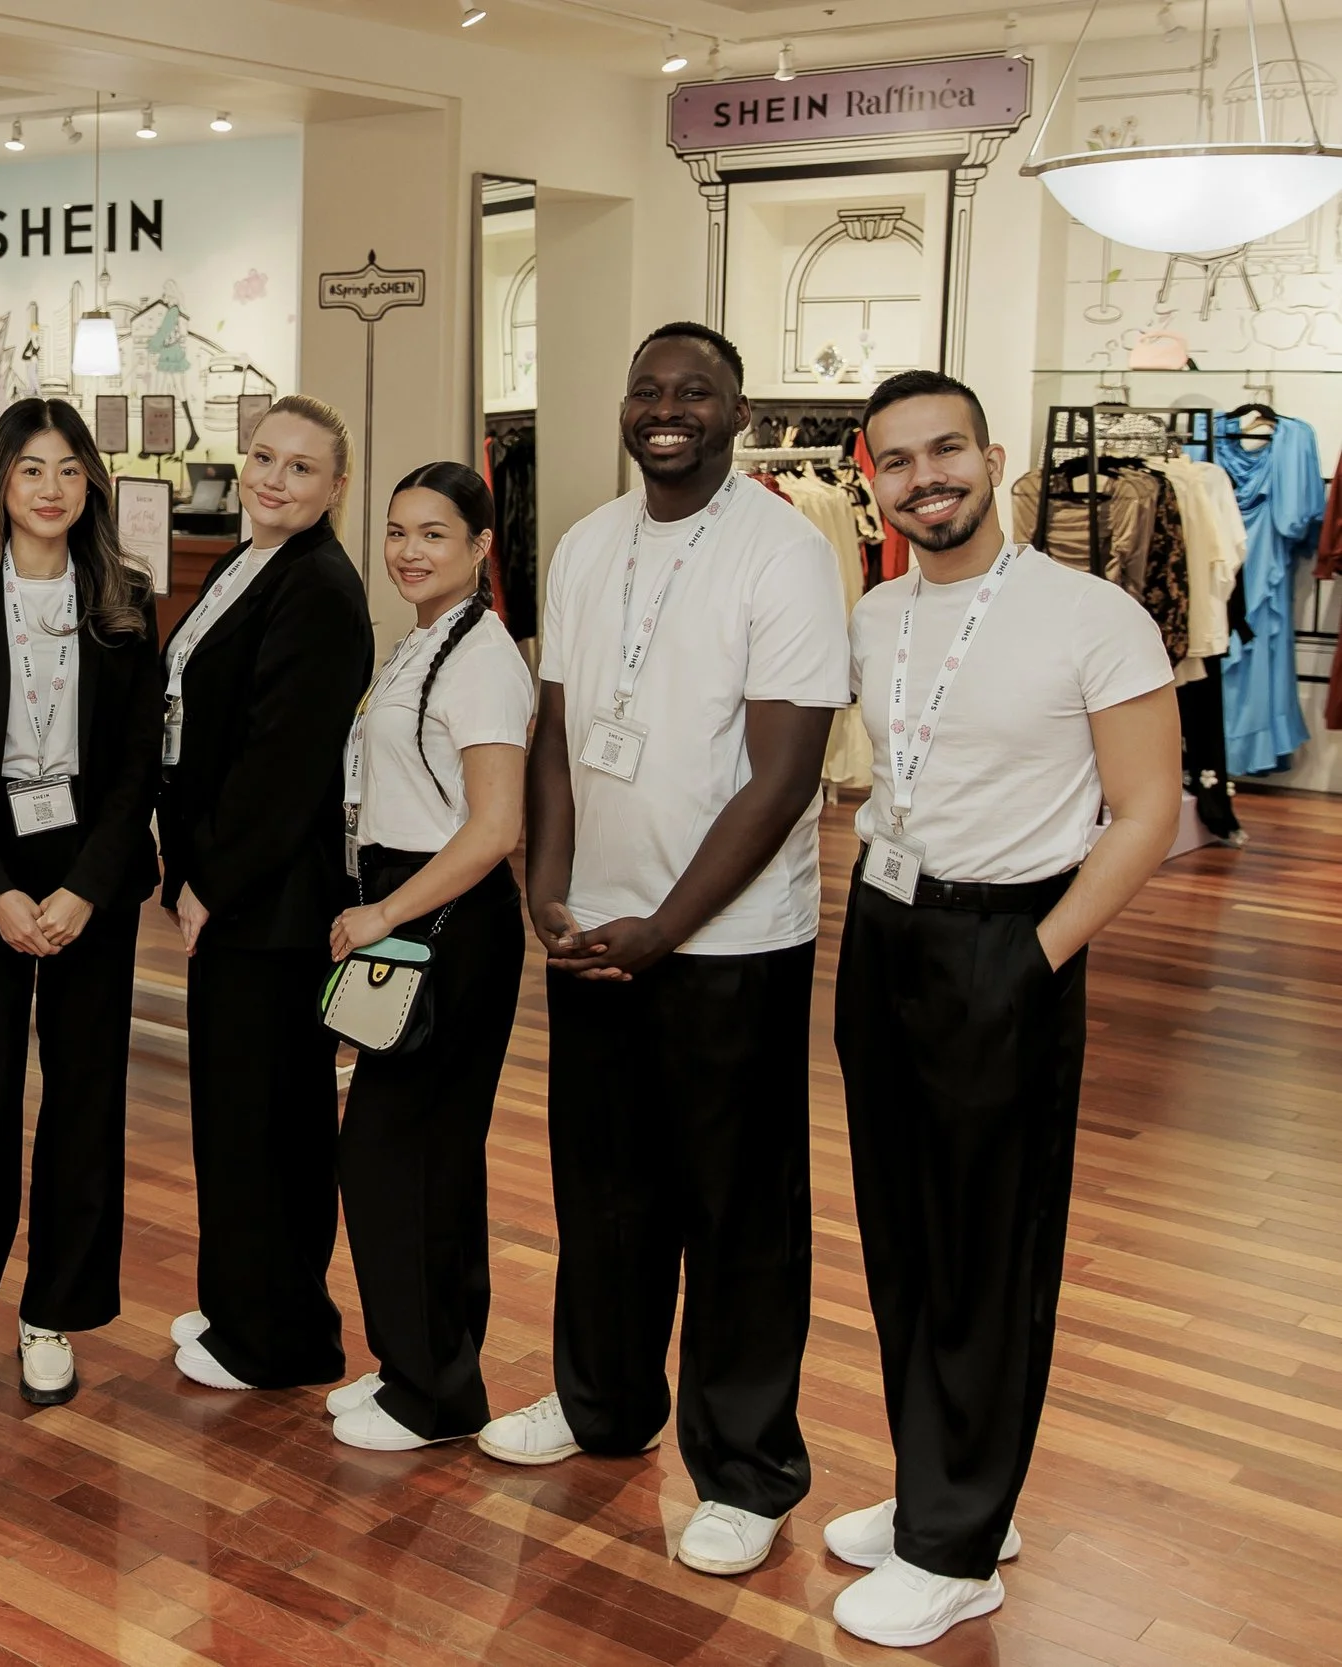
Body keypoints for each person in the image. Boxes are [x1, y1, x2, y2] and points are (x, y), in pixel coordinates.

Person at [480, 323, 848, 1581]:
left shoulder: (784, 553)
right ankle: (602, 1399)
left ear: (738, 413)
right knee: (602, 1188)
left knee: (735, 1212)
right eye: (647, 389)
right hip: (597, 929)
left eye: (696, 391)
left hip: (729, 940)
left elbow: (785, 773)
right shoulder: (586, 543)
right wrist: (548, 885)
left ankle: (745, 1470)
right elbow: (556, 729)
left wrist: (666, 927)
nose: (667, 408)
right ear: (624, 407)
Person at [825, 372, 1179, 1648]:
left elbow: (1147, 812)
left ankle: (956, 1547)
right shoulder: (873, 614)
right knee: (903, 1234)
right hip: (884, 930)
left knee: (988, 1246)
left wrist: (1034, 959)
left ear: (994, 456)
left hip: (1008, 936)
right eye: (899, 460)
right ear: (871, 477)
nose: (926, 478)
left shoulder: (1092, 615)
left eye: (947, 450)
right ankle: (944, 1483)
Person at [0, 399, 165, 1414]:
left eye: (67, 469)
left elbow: (139, 760)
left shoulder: (126, 596)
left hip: (91, 876)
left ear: (91, 482)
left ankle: (51, 1311)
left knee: (84, 1101)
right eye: (29, 469)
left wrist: (87, 886)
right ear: (0, 483)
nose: (50, 488)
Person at [157, 395, 374, 1393]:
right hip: (239, 888)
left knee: (270, 1122)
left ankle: (280, 1337)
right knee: (237, 1112)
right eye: (262, 457)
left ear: (336, 486)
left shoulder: (320, 588)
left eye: (300, 467)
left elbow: (283, 764)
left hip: (272, 902)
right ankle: (240, 1303)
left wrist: (208, 881)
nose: (274, 478)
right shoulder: (246, 561)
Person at [325, 462, 533, 1452]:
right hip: (411, 904)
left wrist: (385, 913)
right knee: (400, 1157)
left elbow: (495, 826)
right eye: (398, 531)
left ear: (480, 546)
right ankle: (416, 1367)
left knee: (410, 1158)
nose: (409, 551)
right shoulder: (421, 639)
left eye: (434, 534)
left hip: (447, 919)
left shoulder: (482, 660)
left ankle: (436, 1393)